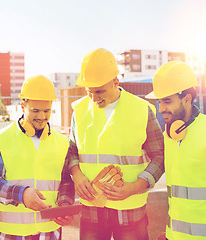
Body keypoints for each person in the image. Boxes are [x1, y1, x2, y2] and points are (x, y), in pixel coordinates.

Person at [67, 48, 165, 240]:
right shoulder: (78, 111)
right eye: (89, 92)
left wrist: (136, 186)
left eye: (100, 91)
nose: (94, 98)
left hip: (130, 208)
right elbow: (71, 150)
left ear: (116, 82)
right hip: (91, 207)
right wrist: (77, 175)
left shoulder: (142, 109)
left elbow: (160, 156)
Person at [144, 61, 206, 240]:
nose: (161, 109)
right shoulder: (168, 136)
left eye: (167, 101)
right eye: (159, 102)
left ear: (187, 99)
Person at [0, 75, 75, 240]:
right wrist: (21, 194)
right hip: (14, 232)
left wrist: (65, 206)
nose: (41, 116)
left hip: (50, 229)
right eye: (35, 110)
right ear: (23, 107)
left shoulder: (61, 142)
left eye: (46, 111)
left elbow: (66, 181)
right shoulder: (1, 139)